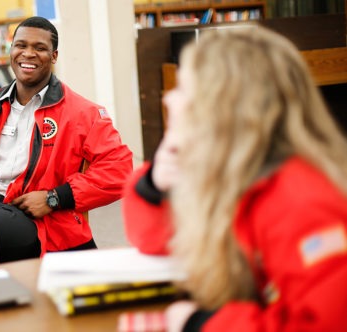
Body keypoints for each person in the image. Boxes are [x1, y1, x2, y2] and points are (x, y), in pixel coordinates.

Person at [123, 27, 347, 331]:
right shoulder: (233, 172)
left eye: (184, 89)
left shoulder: (303, 200)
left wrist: (202, 323)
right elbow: (159, 243)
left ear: (222, 106)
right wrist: (155, 187)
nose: (169, 99)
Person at [0, 16, 133, 262]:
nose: (28, 54)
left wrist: (55, 198)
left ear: (54, 56)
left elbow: (119, 171)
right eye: (21, 45)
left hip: (29, 215)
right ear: (11, 50)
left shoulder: (84, 113)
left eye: (39, 48)